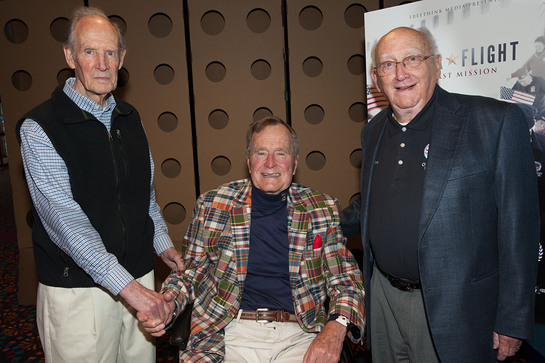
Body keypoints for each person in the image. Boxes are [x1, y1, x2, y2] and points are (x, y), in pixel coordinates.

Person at [346, 26, 539, 362]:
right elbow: (378, 205)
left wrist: (512, 319)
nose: (400, 73)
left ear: (436, 64)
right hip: (383, 297)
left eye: (411, 59)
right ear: (376, 79)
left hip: (455, 309)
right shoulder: (372, 131)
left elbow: (519, 229)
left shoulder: (495, 123)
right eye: (388, 65)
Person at [15, 7, 182, 363]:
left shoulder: (129, 117)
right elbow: (66, 222)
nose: (102, 63)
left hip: (138, 275)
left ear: (122, 57)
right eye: (90, 51)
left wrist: (162, 243)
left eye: (110, 52)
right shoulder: (40, 127)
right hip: (79, 292)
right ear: (69, 55)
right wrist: (129, 289)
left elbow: (144, 195)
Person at [139, 116, 365, 362]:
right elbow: (189, 272)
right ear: (248, 161)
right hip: (227, 332)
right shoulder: (213, 204)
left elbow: (346, 281)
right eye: (261, 153)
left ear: (295, 162)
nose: (270, 163)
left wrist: (336, 326)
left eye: (281, 153)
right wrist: (169, 302)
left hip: (300, 335)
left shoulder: (321, 208)